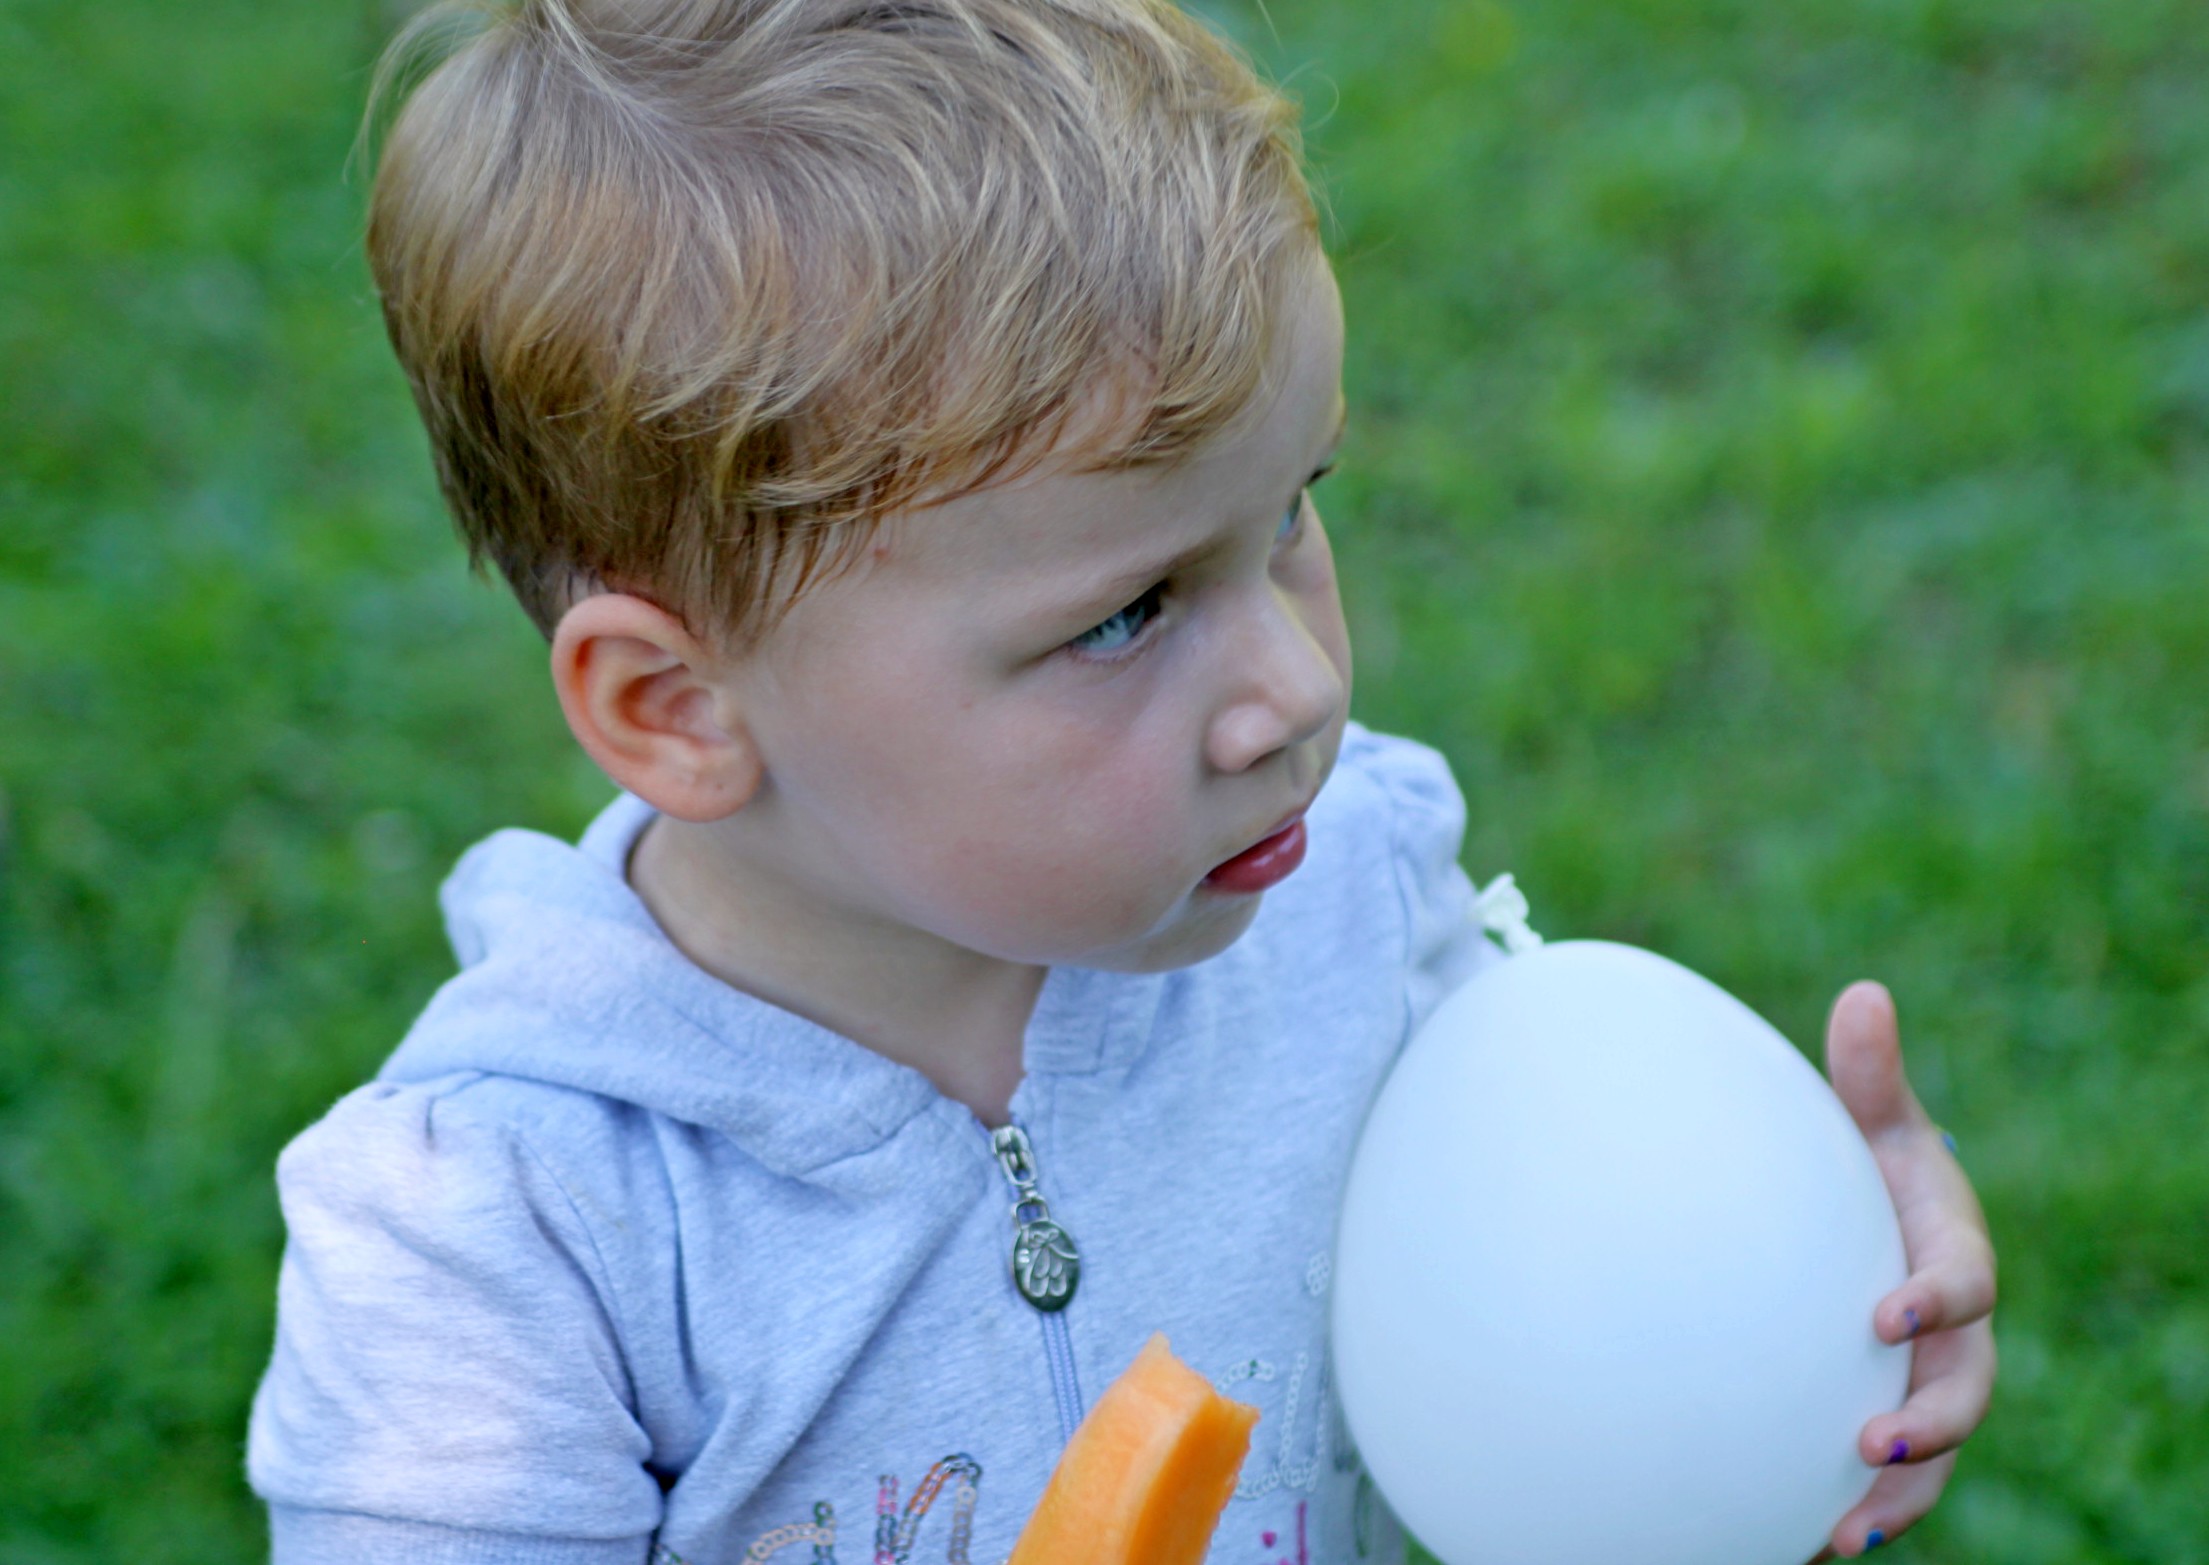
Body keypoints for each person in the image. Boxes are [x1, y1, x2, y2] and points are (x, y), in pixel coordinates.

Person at [246, 1, 1998, 1560]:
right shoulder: (497, 1253)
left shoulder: (1354, 900)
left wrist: (1793, 1298)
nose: (1299, 687)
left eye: (1294, 506)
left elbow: (1564, 1275)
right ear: (678, 707)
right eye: (1123, 615)